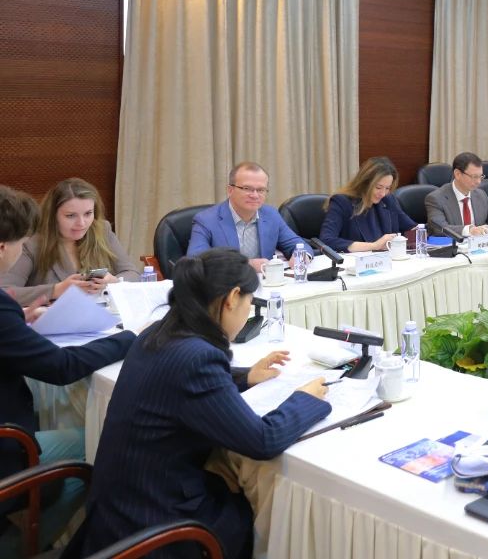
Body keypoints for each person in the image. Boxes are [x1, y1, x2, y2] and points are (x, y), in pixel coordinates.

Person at [72, 248, 331, 559]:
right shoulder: (198, 357)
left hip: (116, 510)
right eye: (249, 303)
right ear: (232, 298)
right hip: (155, 525)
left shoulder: (158, 332)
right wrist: (305, 399)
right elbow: (263, 440)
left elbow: (180, 381)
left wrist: (247, 376)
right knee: (247, 510)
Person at [0, 185, 135, 555]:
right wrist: (130, 338)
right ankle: (20, 549)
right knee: (95, 444)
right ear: (3, 247)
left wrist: (17, 320)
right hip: (7, 446)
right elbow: (62, 368)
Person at [0, 178, 139, 306]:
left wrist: (114, 281)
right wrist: (56, 290)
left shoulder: (102, 230)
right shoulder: (31, 243)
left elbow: (132, 273)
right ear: (53, 215)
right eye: (71, 215)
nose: (82, 223)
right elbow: (4, 292)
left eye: (88, 213)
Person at [188, 162, 312, 271]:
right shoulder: (206, 220)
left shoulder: (271, 215)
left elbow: (298, 245)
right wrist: (248, 265)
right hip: (227, 286)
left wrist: (301, 256)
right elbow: (196, 261)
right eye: (247, 188)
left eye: (261, 190)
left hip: (267, 284)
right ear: (230, 190)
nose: (255, 195)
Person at [319, 156, 417, 253]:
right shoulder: (341, 202)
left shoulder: (388, 200)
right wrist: (374, 246)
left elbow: (411, 228)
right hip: (355, 261)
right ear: (365, 183)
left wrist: (420, 233)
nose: (383, 194)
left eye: (387, 188)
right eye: (378, 187)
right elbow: (326, 241)